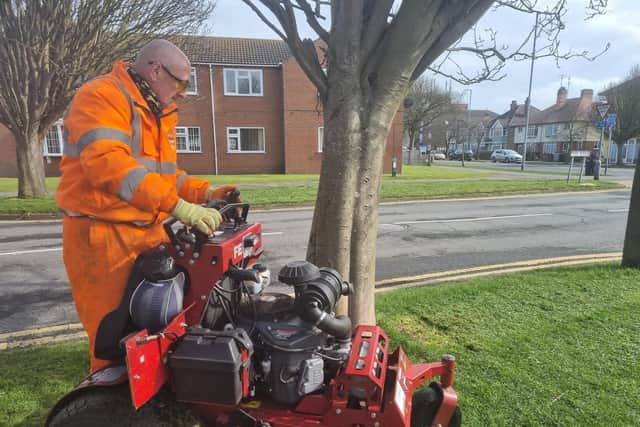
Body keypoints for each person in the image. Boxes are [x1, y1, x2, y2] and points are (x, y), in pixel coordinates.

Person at [56, 39, 235, 372]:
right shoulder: (102, 96)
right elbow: (110, 166)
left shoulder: (157, 110)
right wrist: (179, 207)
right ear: (155, 69)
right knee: (111, 334)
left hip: (148, 233)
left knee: (159, 325)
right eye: (180, 82)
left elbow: (165, 177)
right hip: (103, 237)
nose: (183, 92)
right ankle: (107, 408)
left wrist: (205, 193)